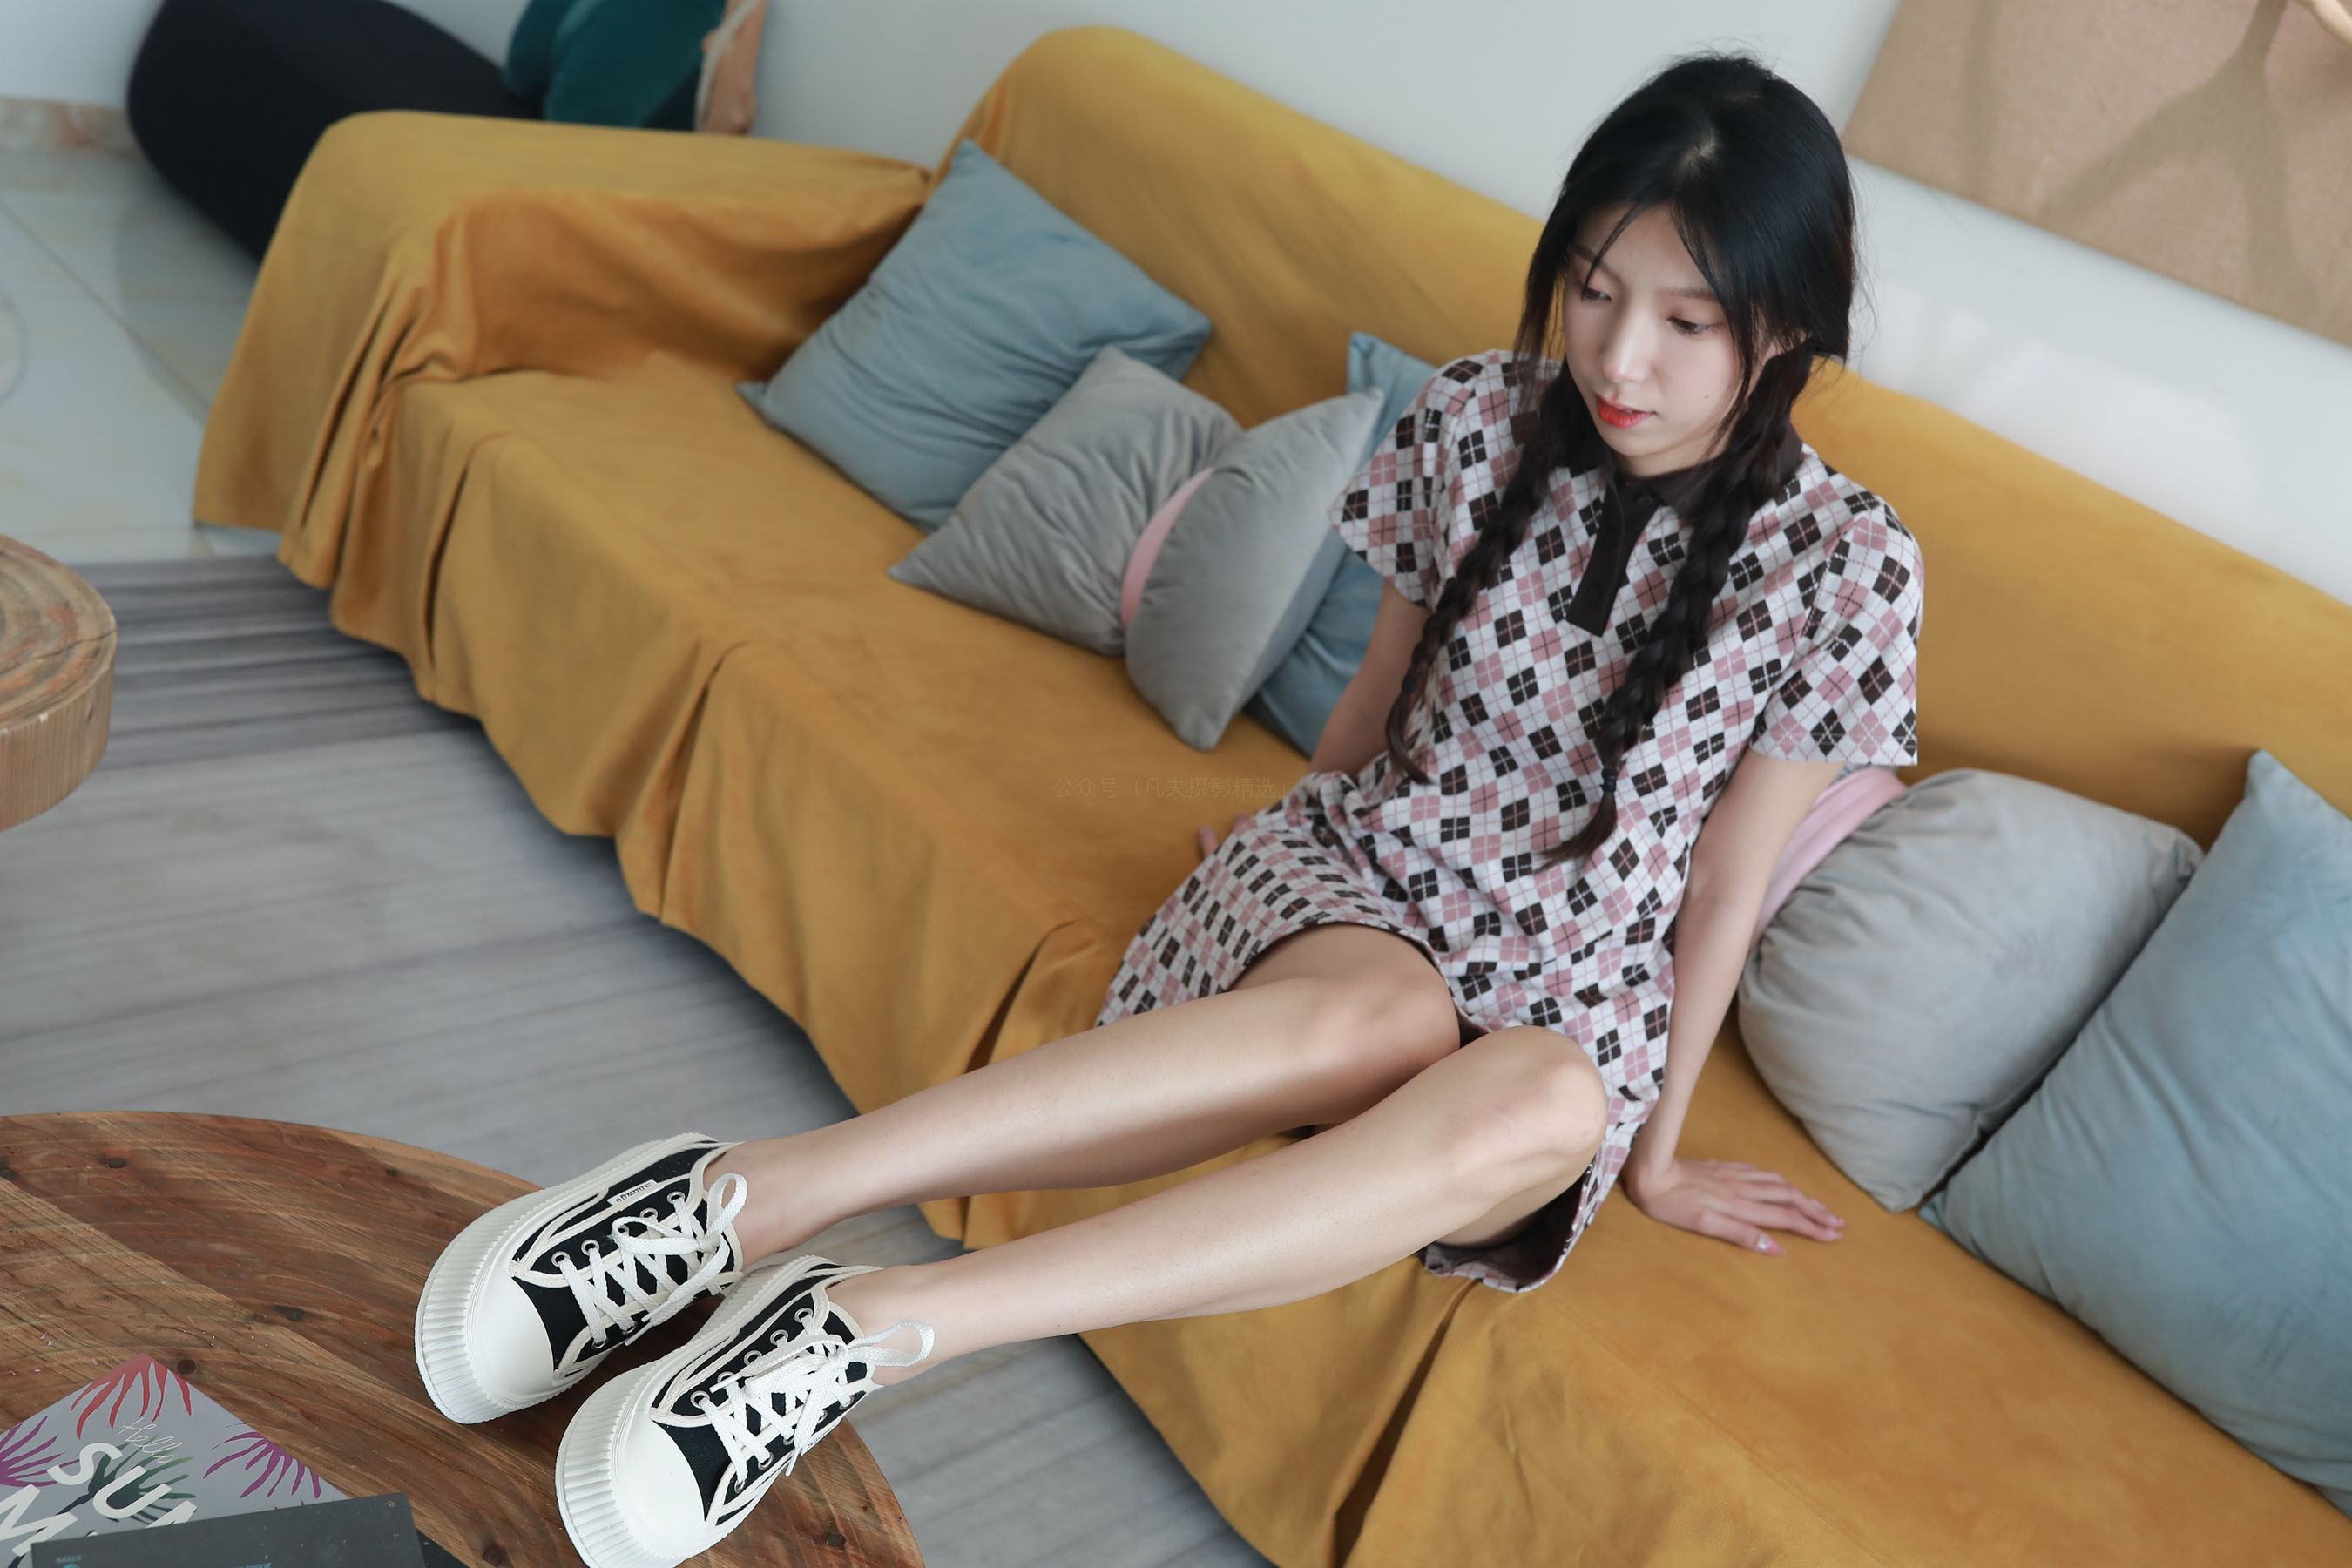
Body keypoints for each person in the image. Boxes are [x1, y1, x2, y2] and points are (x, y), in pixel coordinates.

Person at [411, 51, 1923, 1568]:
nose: (1619, 356)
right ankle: (741, 1197)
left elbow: (1723, 889)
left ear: (1785, 325)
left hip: (1577, 992)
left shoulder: (1848, 566)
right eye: (1591, 289)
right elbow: (1376, 705)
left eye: (1686, 322)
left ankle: (865, 1326)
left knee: (1550, 1100)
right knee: (1383, 1022)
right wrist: (1282, 867)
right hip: (1376, 880)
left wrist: (1657, 1156)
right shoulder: (1476, 415)